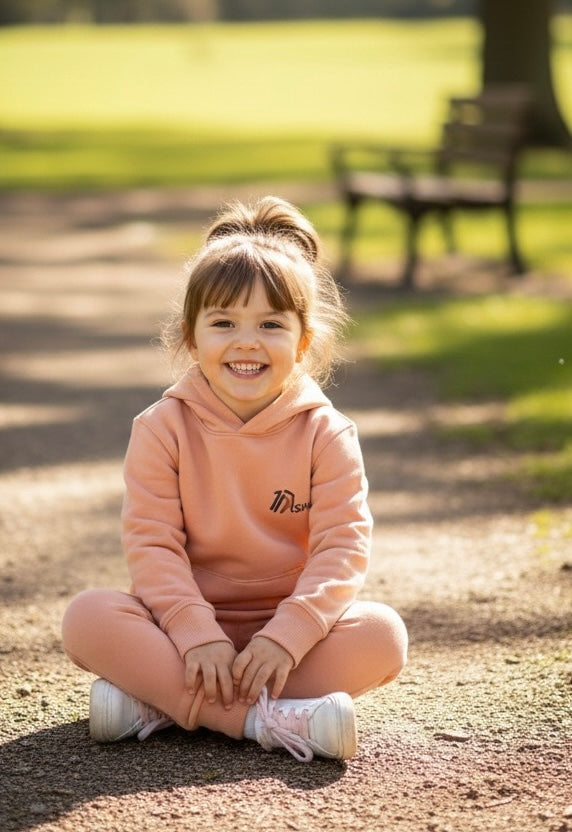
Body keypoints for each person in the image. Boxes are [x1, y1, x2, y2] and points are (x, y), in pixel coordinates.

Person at [62, 196, 407, 763]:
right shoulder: (160, 428)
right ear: (191, 338)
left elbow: (343, 547)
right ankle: (265, 721)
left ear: (302, 341)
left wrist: (285, 636)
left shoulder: (328, 433)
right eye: (223, 323)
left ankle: (161, 705)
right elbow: (152, 545)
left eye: (271, 325)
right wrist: (196, 633)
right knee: (89, 617)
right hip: (182, 632)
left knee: (383, 635)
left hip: (292, 640)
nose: (247, 341)